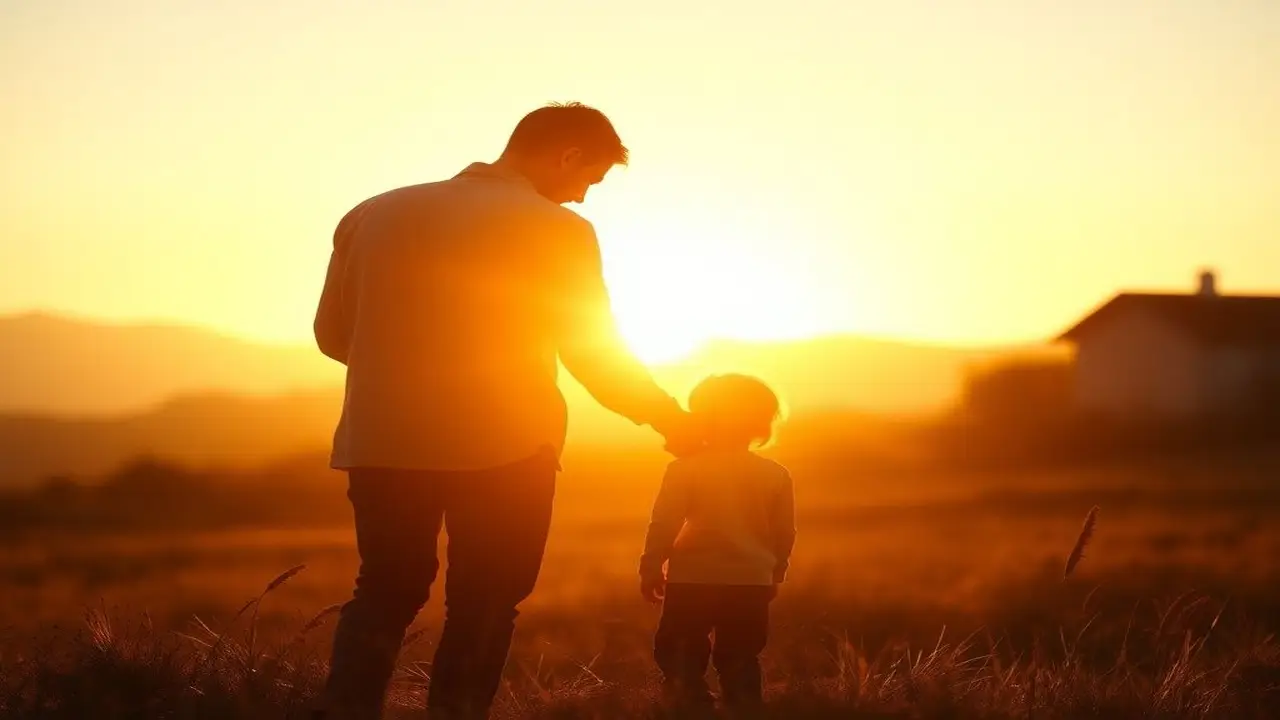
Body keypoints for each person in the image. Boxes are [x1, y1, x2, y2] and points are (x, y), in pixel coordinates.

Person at [311, 102, 702, 720]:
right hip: (507, 448)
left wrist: (403, 369)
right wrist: (668, 418)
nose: (582, 198)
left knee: (385, 590)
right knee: (486, 603)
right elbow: (592, 354)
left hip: (381, 439)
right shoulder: (558, 231)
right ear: (567, 155)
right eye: (587, 180)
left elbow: (335, 336)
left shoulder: (372, 212)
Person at [638, 373, 796, 715]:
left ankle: (690, 705)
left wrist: (651, 564)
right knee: (740, 653)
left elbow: (664, 523)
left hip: (691, 579)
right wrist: (776, 571)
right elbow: (784, 532)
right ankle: (744, 707)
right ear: (762, 424)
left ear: (700, 419)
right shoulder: (776, 474)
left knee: (680, 650)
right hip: (751, 580)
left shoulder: (683, 470)